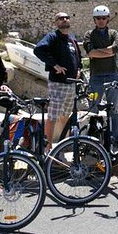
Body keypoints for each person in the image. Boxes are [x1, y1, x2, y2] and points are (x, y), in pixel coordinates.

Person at [34, 12, 83, 148]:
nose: (64, 20)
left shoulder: (71, 39)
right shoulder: (52, 37)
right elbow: (38, 50)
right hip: (57, 84)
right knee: (53, 116)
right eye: (61, 18)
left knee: (65, 116)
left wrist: (78, 69)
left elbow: (79, 57)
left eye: (66, 17)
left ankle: (62, 146)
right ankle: (48, 148)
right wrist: (54, 65)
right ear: (56, 22)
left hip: (71, 84)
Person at [83, 5, 118, 149]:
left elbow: (116, 48)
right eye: (98, 18)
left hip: (112, 75)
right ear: (94, 19)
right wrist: (108, 51)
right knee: (93, 108)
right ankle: (92, 140)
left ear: (108, 19)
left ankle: (114, 140)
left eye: (103, 18)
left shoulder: (113, 33)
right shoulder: (89, 34)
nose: (101, 21)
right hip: (96, 77)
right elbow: (90, 53)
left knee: (113, 108)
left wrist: (97, 51)